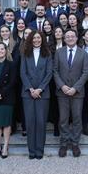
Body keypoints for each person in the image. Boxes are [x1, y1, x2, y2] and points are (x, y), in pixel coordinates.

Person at [53, 29, 88, 158]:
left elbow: (85, 73)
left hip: (77, 93)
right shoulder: (58, 52)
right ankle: (63, 144)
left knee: (77, 119)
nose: (70, 38)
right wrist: (62, 86)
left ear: (76, 37)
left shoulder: (83, 53)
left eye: (72, 36)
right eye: (67, 36)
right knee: (63, 119)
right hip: (62, 92)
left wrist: (75, 88)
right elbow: (55, 71)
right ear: (64, 38)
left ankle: (75, 144)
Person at [20, 30, 53, 159]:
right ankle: (31, 151)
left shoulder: (48, 54)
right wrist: (30, 89)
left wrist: (39, 89)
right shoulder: (25, 53)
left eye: (38, 38)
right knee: (30, 122)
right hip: (28, 93)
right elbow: (23, 73)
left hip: (43, 94)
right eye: (34, 38)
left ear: (42, 39)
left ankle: (39, 150)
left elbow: (49, 73)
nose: (36, 40)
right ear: (30, 40)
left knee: (40, 122)